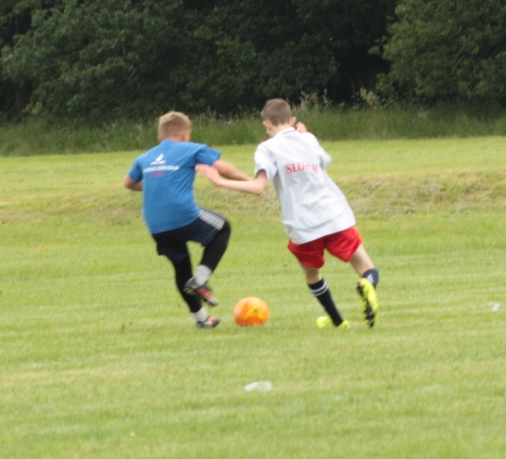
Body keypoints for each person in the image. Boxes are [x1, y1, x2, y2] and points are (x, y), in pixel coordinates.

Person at [208, 98, 379, 328]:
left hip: (303, 226)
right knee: (366, 267)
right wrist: (305, 137)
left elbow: (258, 187)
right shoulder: (308, 139)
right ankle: (368, 284)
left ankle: (338, 322)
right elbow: (322, 163)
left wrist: (220, 182)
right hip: (334, 216)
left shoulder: (267, 148)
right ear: (293, 120)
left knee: (313, 276)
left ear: (266, 124)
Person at [124, 111, 253, 329]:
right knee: (222, 228)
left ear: (160, 138)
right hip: (182, 214)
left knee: (181, 268)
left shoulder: (144, 157)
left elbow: (128, 183)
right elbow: (222, 168)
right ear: (185, 134)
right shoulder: (192, 148)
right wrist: (248, 180)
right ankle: (200, 280)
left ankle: (202, 319)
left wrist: (157, 184)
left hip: (156, 225)